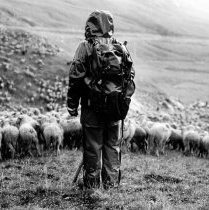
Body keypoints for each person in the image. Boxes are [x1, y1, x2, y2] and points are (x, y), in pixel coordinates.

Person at [67, 10, 135, 189]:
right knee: (113, 147)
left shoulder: (85, 46)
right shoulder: (120, 47)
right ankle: (111, 186)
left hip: (92, 110)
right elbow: (130, 76)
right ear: (110, 25)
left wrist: (72, 106)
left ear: (90, 25)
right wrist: (120, 100)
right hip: (115, 109)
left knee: (92, 149)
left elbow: (75, 78)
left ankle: (92, 188)